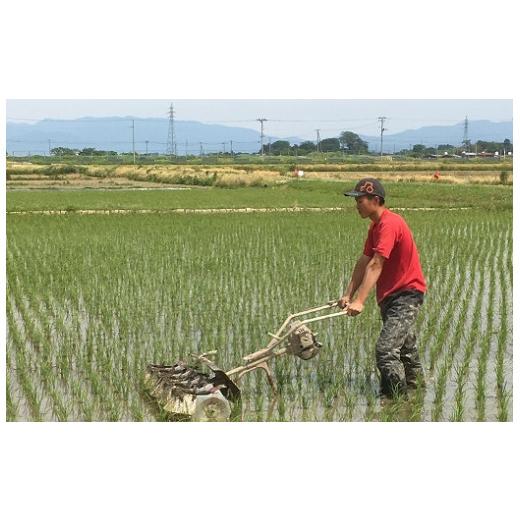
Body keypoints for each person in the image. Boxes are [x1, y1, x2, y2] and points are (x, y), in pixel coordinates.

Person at [338, 178, 427, 399]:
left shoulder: (390, 224)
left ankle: (396, 401)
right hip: (390, 297)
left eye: (360, 200)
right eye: (355, 200)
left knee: (386, 351)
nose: (356, 204)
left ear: (375, 200)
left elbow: (376, 264)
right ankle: (418, 395)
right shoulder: (375, 227)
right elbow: (364, 261)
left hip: (406, 294)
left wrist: (360, 300)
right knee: (406, 350)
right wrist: (348, 294)